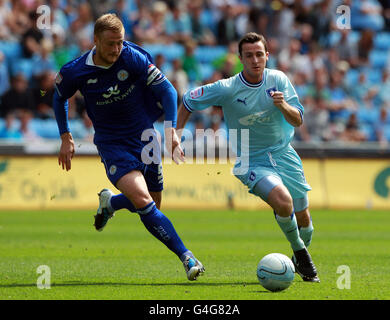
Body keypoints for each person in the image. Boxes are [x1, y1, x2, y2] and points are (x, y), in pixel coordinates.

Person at [52, 13, 204, 281]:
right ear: (95, 41)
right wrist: (66, 135)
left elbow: (168, 91)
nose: (116, 50)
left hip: (146, 138)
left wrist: (170, 130)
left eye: (120, 42)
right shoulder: (75, 71)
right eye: (110, 44)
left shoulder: (132, 57)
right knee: (145, 202)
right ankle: (187, 256)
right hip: (113, 145)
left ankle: (110, 203)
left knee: (153, 202)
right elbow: (58, 98)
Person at [176, 32, 319, 282]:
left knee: (305, 221)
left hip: (285, 155)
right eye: (249, 55)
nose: (255, 60)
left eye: (259, 54)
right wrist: (175, 134)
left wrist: (283, 105)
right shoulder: (228, 87)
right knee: (283, 202)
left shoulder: (279, 80)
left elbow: (298, 119)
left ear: (267, 56)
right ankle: (302, 256)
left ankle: (299, 251)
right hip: (251, 160)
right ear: (240, 58)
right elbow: (188, 100)